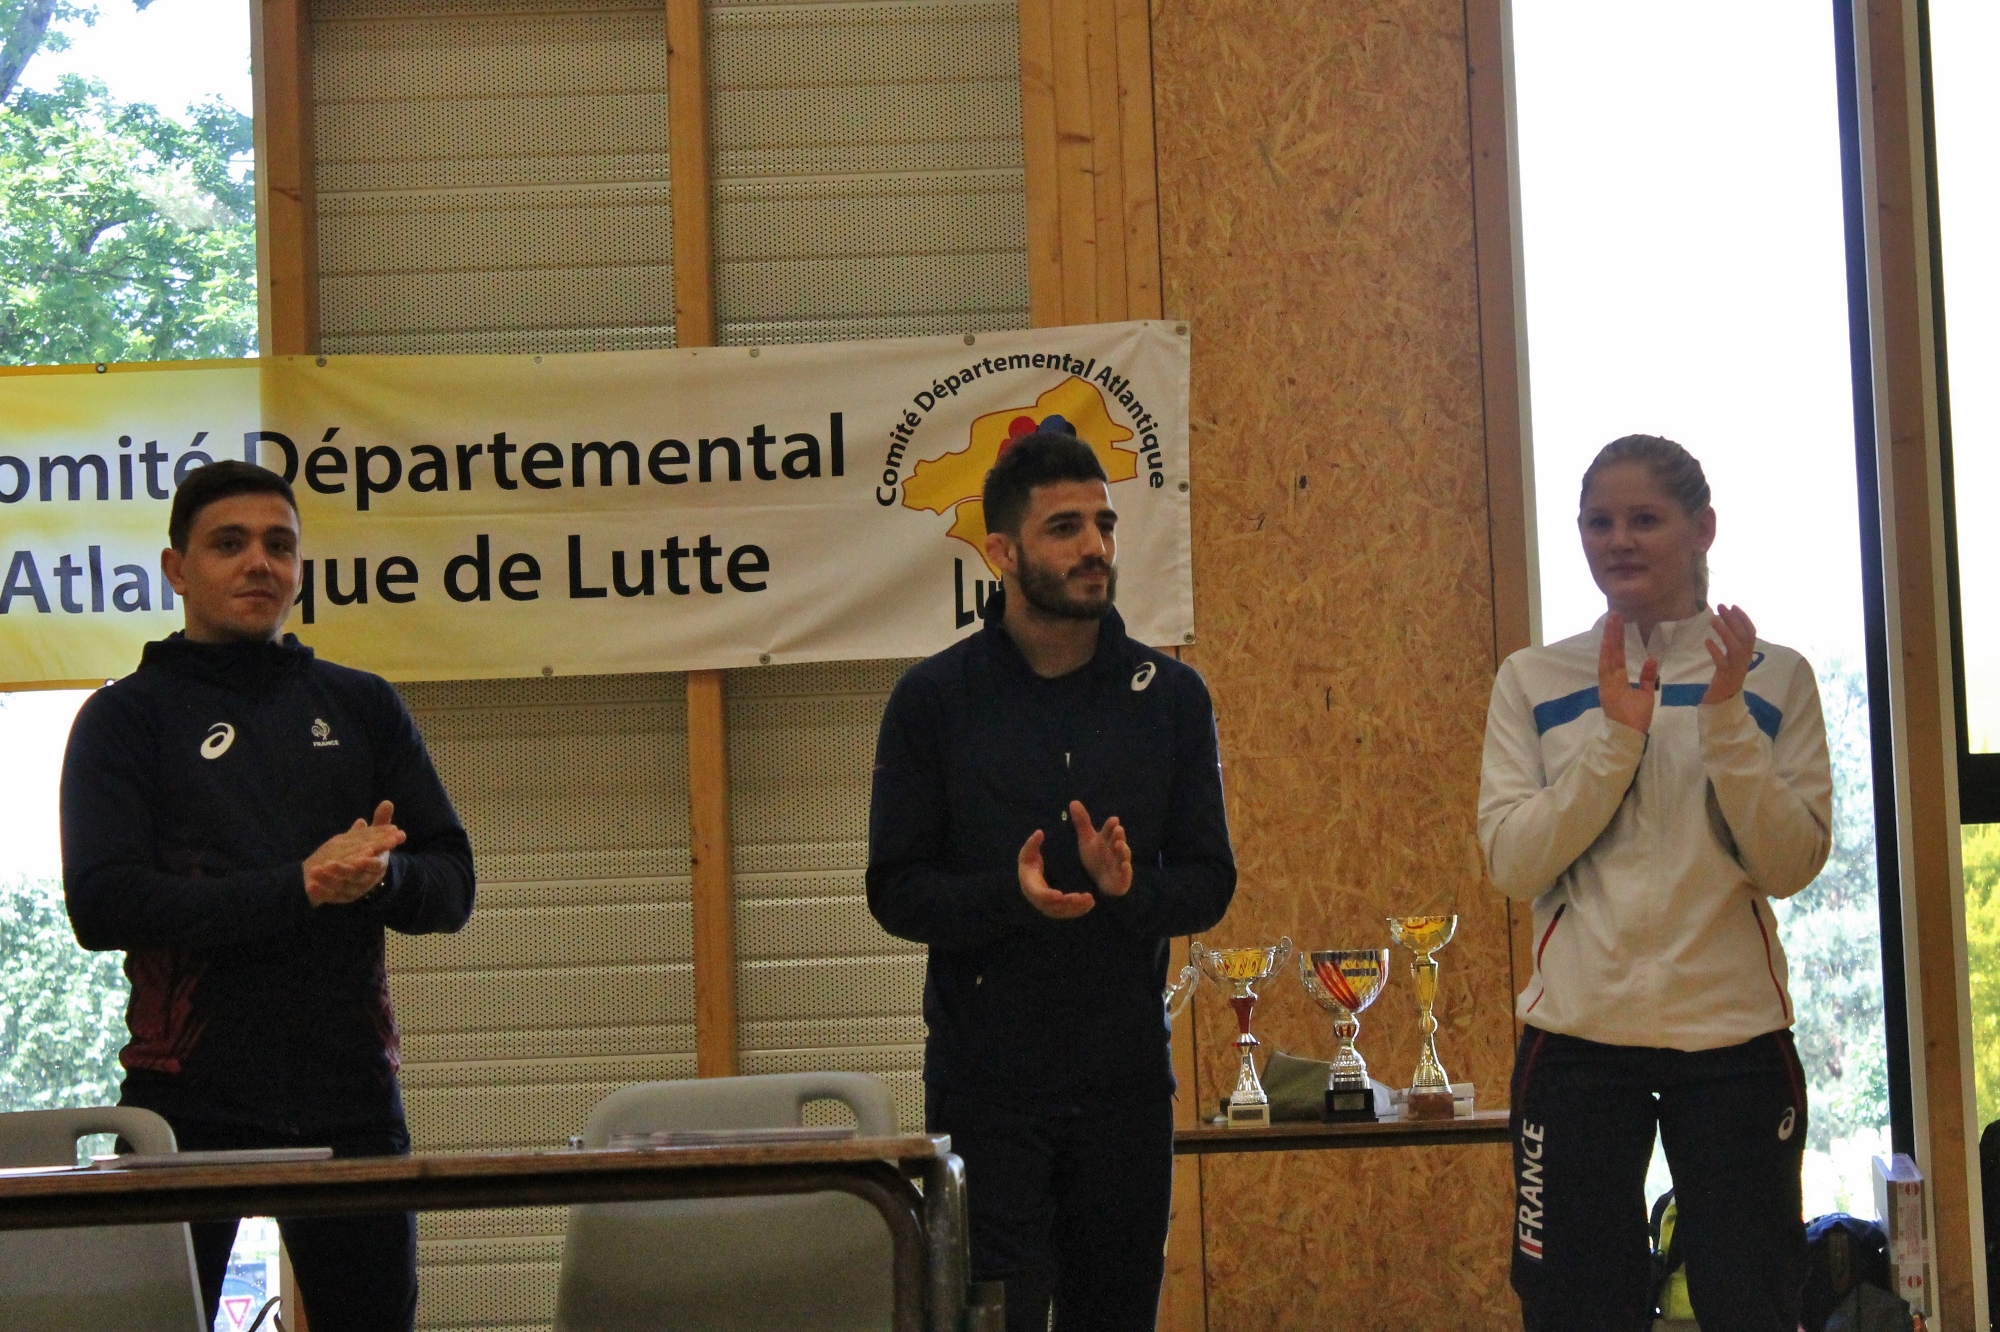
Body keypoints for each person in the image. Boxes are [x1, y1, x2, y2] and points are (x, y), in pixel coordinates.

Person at [61, 460, 475, 1332]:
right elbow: (103, 906)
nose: (260, 563)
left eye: (279, 546)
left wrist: (383, 876)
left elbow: (451, 886)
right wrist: (299, 887)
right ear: (176, 569)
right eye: (230, 544)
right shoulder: (124, 718)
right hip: (184, 1100)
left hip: (350, 1101)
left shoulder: (363, 706)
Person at [867, 430, 1236, 1331]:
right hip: (986, 1092)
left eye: (1103, 524)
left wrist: (1131, 891)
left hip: (1124, 1088)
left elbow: (1209, 883)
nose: (1094, 547)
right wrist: (1011, 898)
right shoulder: (933, 702)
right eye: (1065, 528)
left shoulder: (1171, 698)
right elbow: (896, 889)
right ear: (1002, 552)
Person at [1480, 435, 1831, 1330]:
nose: (1618, 541)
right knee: (1573, 1309)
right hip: (1577, 1046)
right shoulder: (1532, 679)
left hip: (1734, 1043)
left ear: (1702, 528)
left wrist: (1727, 723)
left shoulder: (1776, 677)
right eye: (1598, 523)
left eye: (1644, 519)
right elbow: (1513, 864)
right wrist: (1617, 742)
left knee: (1750, 1302)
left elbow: (1789, 866)